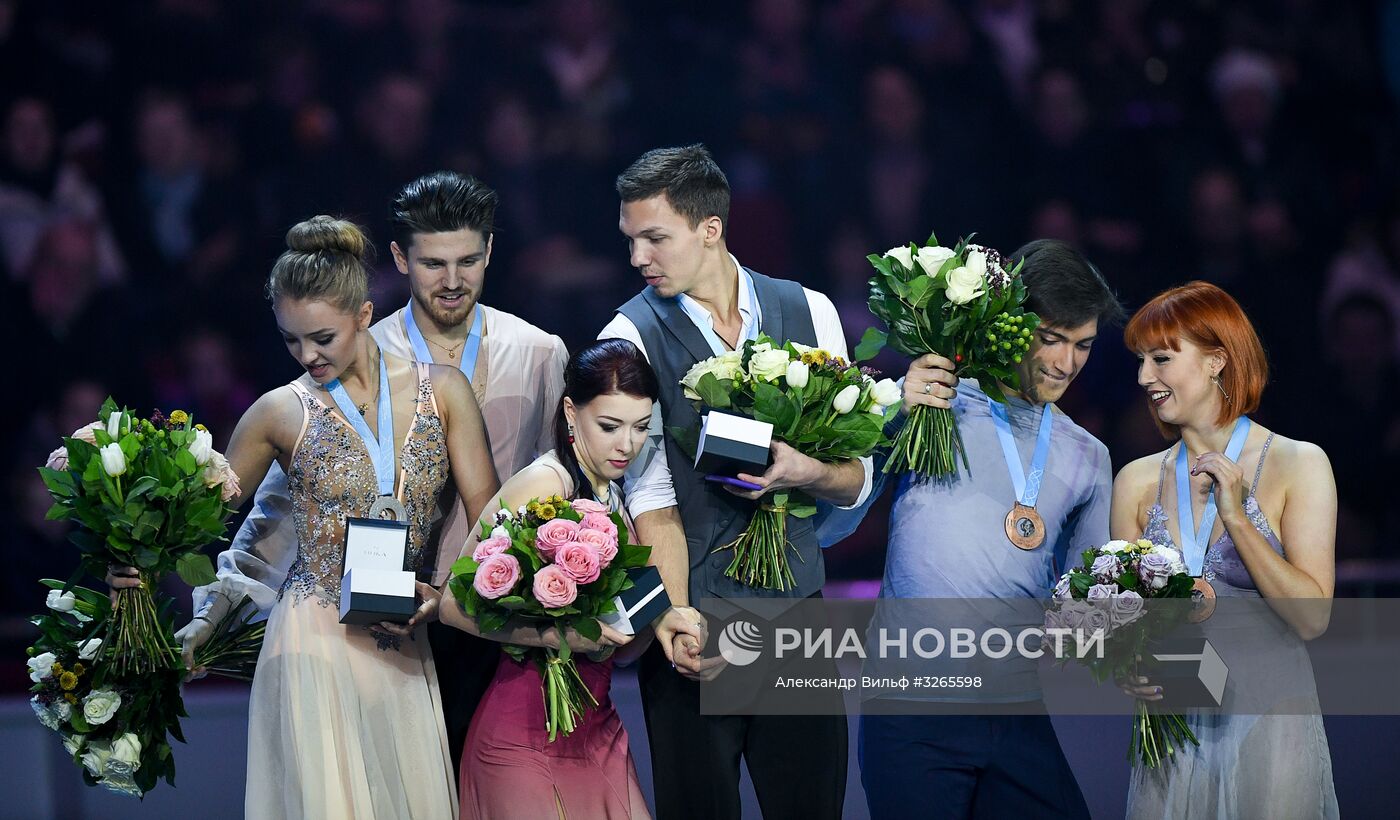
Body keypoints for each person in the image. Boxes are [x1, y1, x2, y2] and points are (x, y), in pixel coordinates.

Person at [184, 171, 570, 776]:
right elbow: (279, 514)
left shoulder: (540, 351)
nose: (452, 280)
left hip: (488, 616)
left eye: (468, 261)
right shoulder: (346, 345)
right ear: (400, 258)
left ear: (490, 251)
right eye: (433, 263)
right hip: (371, 620)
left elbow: (548, 499)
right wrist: (215, 607)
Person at [599, 144, 873, 819]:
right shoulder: (628, 334)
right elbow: (648, 496)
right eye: (630, 240)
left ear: (710, 228)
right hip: (696, 625)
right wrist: (674, 614)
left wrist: (805, 470)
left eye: (654, 238)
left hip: (796, 620)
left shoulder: (811, 311)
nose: (638, 257)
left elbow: (856, 479)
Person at [199, 215, 498, 817]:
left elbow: (491, 524)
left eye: (322, 337)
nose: (306, 355)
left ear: (364, 315)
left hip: (402, 635)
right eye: (290, 340)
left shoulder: (444, 390)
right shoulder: (277, 412)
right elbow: (199, 523)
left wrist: (444, 594)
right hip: (312, 643)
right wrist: (130, 551)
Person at [827, 239, 1124, 819]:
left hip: (1016, 707)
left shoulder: (1089, 456)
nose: (1066, 363)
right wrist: (890, 418)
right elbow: (836, 522)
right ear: (1011, 323)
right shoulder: (933, 404)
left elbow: (1083, 611)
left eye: (1083, 344)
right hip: (911, 708)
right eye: (1051, 337)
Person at [1112, 281, 1338, 818]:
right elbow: (1122, 622)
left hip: (1270, 721)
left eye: (1161, 359)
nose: (1144, 377)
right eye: (1141, 361)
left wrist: (1236, 517)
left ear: (1216, 361)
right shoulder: (1135, 481)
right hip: (1173, 726)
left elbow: (1313, 619)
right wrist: (1126, 666)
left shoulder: (1298, 463)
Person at [441, 338, 659, 819]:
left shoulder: (616, 492)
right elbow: (450, 606)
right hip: (524, 736)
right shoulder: (545, 482)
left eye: (641, 427)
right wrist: (555, 636)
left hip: (597, 726)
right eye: (610, 426)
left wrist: (653, 625)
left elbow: (620, 649)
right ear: (570, 412)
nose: (627, 444)